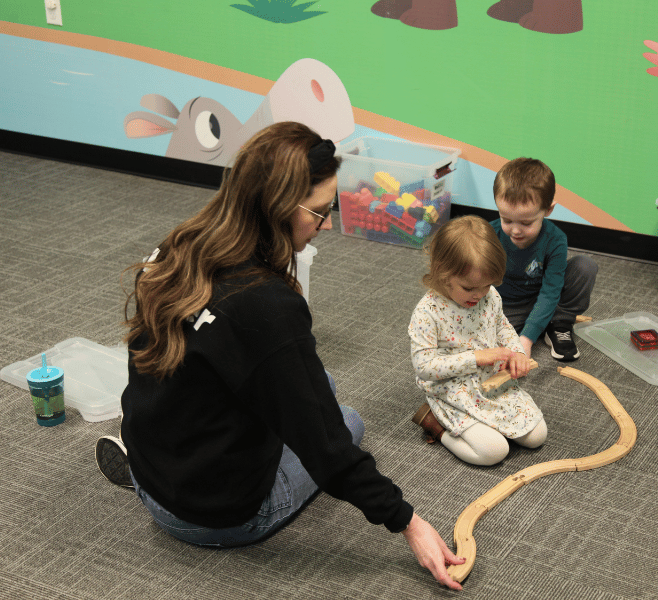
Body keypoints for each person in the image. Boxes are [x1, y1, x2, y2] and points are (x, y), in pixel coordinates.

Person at [93, 121, 465, 590]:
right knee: (345, 421)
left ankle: (147, 474)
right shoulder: (268, 307)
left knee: (318, 384)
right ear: (280, 208)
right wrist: (410, 523)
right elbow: (329, 452)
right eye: (320, 211)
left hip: (154, 461)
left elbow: (144, 361)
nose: (325, 224)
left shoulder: (182, 242)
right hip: (215, 516)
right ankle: (186, 495)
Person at [408, 215, 547, 466]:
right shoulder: (427, 312)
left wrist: (516, 353)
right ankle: (435, 426)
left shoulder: (488, 295)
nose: (480, 294)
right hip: (453, 390)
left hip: (491, 384)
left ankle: (487, 426)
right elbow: (424, 367)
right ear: (442, 272)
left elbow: (502, 326)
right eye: (469, 288)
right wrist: (476, 358)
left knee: (537, 436)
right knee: (493, 452)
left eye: (487, 285)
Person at [491, 158, 598, 362]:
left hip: (545, 300)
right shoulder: (488, 233)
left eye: (526, 222)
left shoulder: (556, 239)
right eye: (506, 219)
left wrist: (527, 340)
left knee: (585, 267)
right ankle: (537, 324)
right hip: (504, 306)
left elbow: (550, 292)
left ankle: (559, 322)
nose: (515, 230)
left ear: (548, 210)